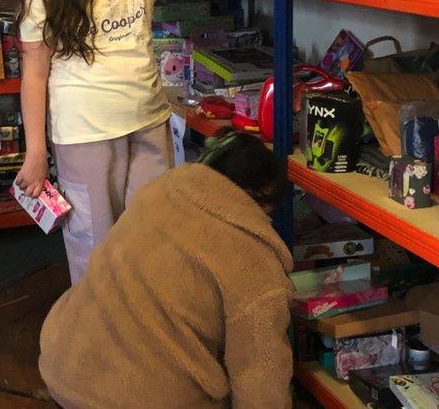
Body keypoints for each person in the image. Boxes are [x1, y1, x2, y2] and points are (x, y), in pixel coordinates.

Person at [14, 0, 228, 283]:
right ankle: (99, 338)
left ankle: (145, 330)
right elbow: (35, 74)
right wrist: (35, 152)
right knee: (95, 247)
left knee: (152, 239)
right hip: (85, 134)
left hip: (149, 124)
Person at [39, 130, 294, 408]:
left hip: (63, 365)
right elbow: (261, 377)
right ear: (264, 201)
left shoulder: (157, 192)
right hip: (136, 397)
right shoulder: (254, 260)